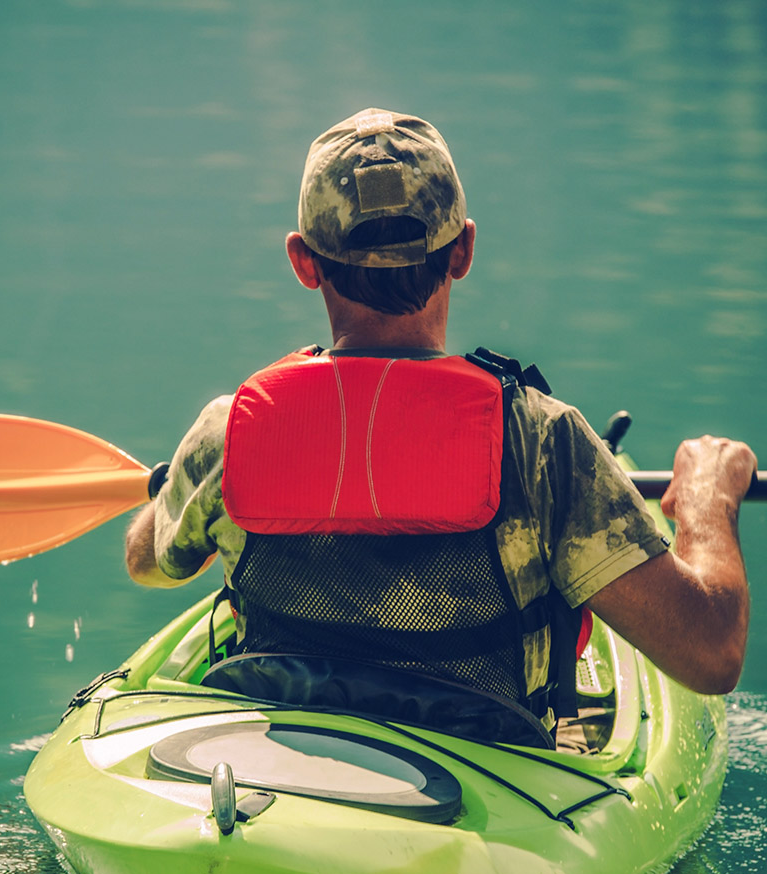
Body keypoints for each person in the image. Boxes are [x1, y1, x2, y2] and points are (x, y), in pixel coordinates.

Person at [126, 107, 755, 740]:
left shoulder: (230, 430)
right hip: (483, 776)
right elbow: (711, 655)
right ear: (463, 250)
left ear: (304, 261)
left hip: (276, 763)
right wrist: (707, 500)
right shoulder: (541, 441)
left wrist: (173, 491)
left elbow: (147, 563)